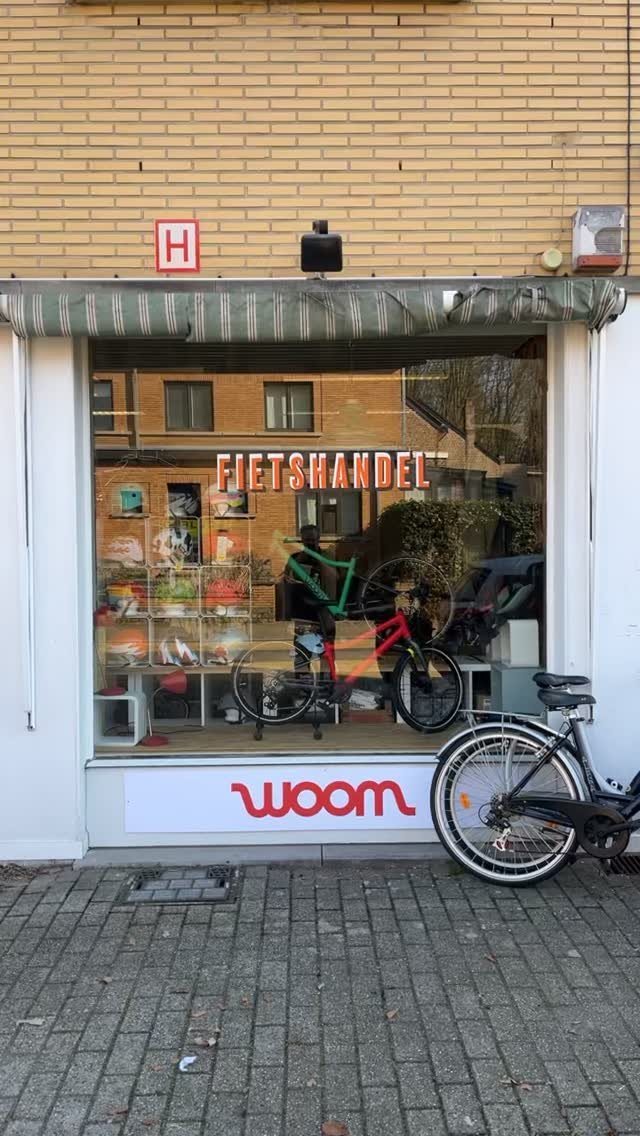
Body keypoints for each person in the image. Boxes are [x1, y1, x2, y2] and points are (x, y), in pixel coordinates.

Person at [284, 524, 337, 643]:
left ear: (318, 539)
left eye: (313, 540)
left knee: (326, 646)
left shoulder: (327, 556)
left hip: (324, 608)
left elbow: (335, 577)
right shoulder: (295, 558)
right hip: (303, 609)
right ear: (302, 540)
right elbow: (287, 577)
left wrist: (319, 559)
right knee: (302, 647)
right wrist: (302, 557)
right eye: (307, 540)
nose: (310, 543)